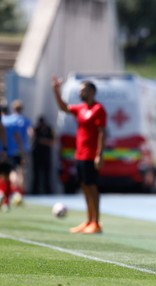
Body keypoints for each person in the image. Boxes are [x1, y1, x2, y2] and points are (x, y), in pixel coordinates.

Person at [52, 77, 107, 234]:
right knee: (84, 186)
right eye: (80, 90)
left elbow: (102, 133)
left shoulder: (98, 109)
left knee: (93, 187)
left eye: (83, 90)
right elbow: (64, 108)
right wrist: (56, 91)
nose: (80, 92)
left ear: (92, 92)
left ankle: (96, 223)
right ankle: (88, 220)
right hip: (80, 154)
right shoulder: (81, 109)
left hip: (91, 155)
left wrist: (99, 154)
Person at [31, 116, 54, 194]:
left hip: (46, 155)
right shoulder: (36, 129)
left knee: (46, 174)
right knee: (36, 174)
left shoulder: (49, 129)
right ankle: (35, 191)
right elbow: (34, 138)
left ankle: (48, 190)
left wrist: (43, 140)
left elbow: (52, 141)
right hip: (37, 155)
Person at [0, 104, 11, 212]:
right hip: (9, 152)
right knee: (6, 176)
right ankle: (5, 200)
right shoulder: (11, 121)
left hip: (4, 152)